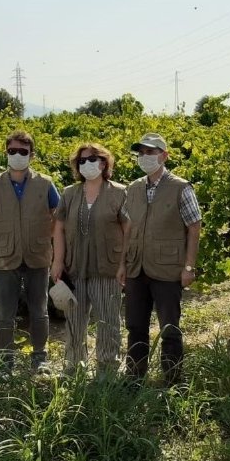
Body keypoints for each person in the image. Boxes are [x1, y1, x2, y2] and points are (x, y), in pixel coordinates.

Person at [123, 133, 202, 387]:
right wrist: (123, 264)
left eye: (151, 152)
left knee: (169, 328)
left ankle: (173, 380)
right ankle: (134, 378)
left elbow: (194, 227)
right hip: (137, 267)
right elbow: (127, 229)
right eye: (142, 153)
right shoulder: (133, 188)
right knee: (135, 326)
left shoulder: (181, 187)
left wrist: (189, 266)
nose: (145, 157)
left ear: (164, 156)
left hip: (168, 270)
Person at [0, 130, 61, 371]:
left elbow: (57, 215)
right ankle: (5, 361)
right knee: (6, 312)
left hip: (38, 254)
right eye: (12, 151)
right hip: (4, 256)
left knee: (39, 309)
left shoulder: (45, 183)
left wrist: (48, 236)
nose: (17, 155)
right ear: (6, 153)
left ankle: (40, 357)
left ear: (31, 155)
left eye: (22, 152)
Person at [52, 143, 130, 374]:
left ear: (104, 162)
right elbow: (59, 229)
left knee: (108, 321)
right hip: (74, 268)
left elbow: (128, 230)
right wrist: (57, 261)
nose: (87, 164)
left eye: (92, 159)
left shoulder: (119, 192)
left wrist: (124, 263)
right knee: (74, 322)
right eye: (82, 161)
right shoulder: (70, 193)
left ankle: (107, 371)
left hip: (108, 267)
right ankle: (74, 369)